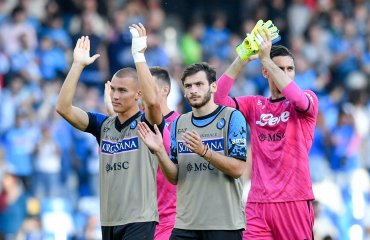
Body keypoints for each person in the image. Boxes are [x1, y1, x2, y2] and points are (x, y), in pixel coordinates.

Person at [56, 23, 164, 240]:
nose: (115, 95)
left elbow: (153, 103)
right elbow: (63, 108)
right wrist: (77, 65)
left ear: (138, 95)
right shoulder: (103, 126)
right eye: (113, 89)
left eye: (122, 90)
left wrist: (138, 55)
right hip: (109, 221)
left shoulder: (148, 123)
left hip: (140, 220)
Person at [214, 27, 318, 239]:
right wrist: (242, 58)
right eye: (280, 68)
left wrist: (266, 59)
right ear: (265, 73)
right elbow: (219, 100)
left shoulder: (307, 98)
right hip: (258, 203)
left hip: (293, 200)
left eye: (290, 69)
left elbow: (297, 100)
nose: (286, 73)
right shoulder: (255, 104)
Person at [138, 62, 247, 240]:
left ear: (213, 86)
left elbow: (238, 169)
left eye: (199, 84)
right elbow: (174, 177)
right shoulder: (179, 124)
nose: (193, 90)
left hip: (223, 223)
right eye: (188, 86)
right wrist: (159, 151)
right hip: (185, 224)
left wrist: (204, 151)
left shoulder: (232, 117)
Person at [104, 66, 180, 240]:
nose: (142, 91)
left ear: (164, 90)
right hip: (136, 219)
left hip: (169, 219)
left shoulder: (180, 125)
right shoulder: (131, 124)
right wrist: (112, 112)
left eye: (147, 86)